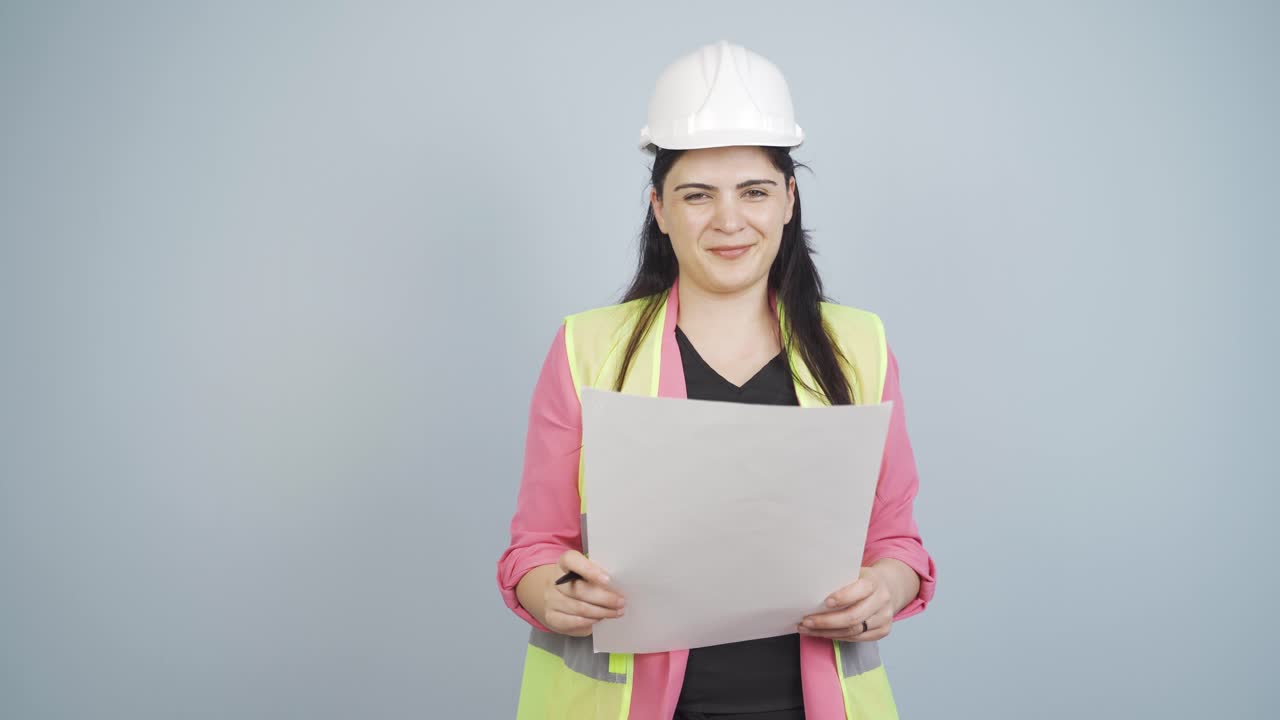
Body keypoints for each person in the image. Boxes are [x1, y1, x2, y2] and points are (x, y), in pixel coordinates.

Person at [496, 40, 936, 720]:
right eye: (697, 196)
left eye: (754, 192)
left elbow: (896, 540)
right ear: (661, 209)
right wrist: (547, 589)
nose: (729, 221)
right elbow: (534, 547)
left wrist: (886, 585)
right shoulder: (587, 347)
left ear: (789, 201)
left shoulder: (858, 346)